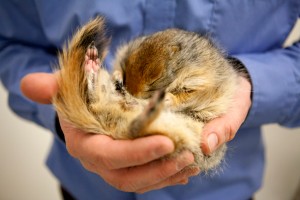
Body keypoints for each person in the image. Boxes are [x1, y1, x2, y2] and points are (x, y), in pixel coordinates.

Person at [0, 1, 299, 200]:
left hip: (219, 190)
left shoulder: (198, 74)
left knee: (178, 128)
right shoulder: (125, 63)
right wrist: (63, 105)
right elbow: (10, 43)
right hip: (85, 186)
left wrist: (250, 84)